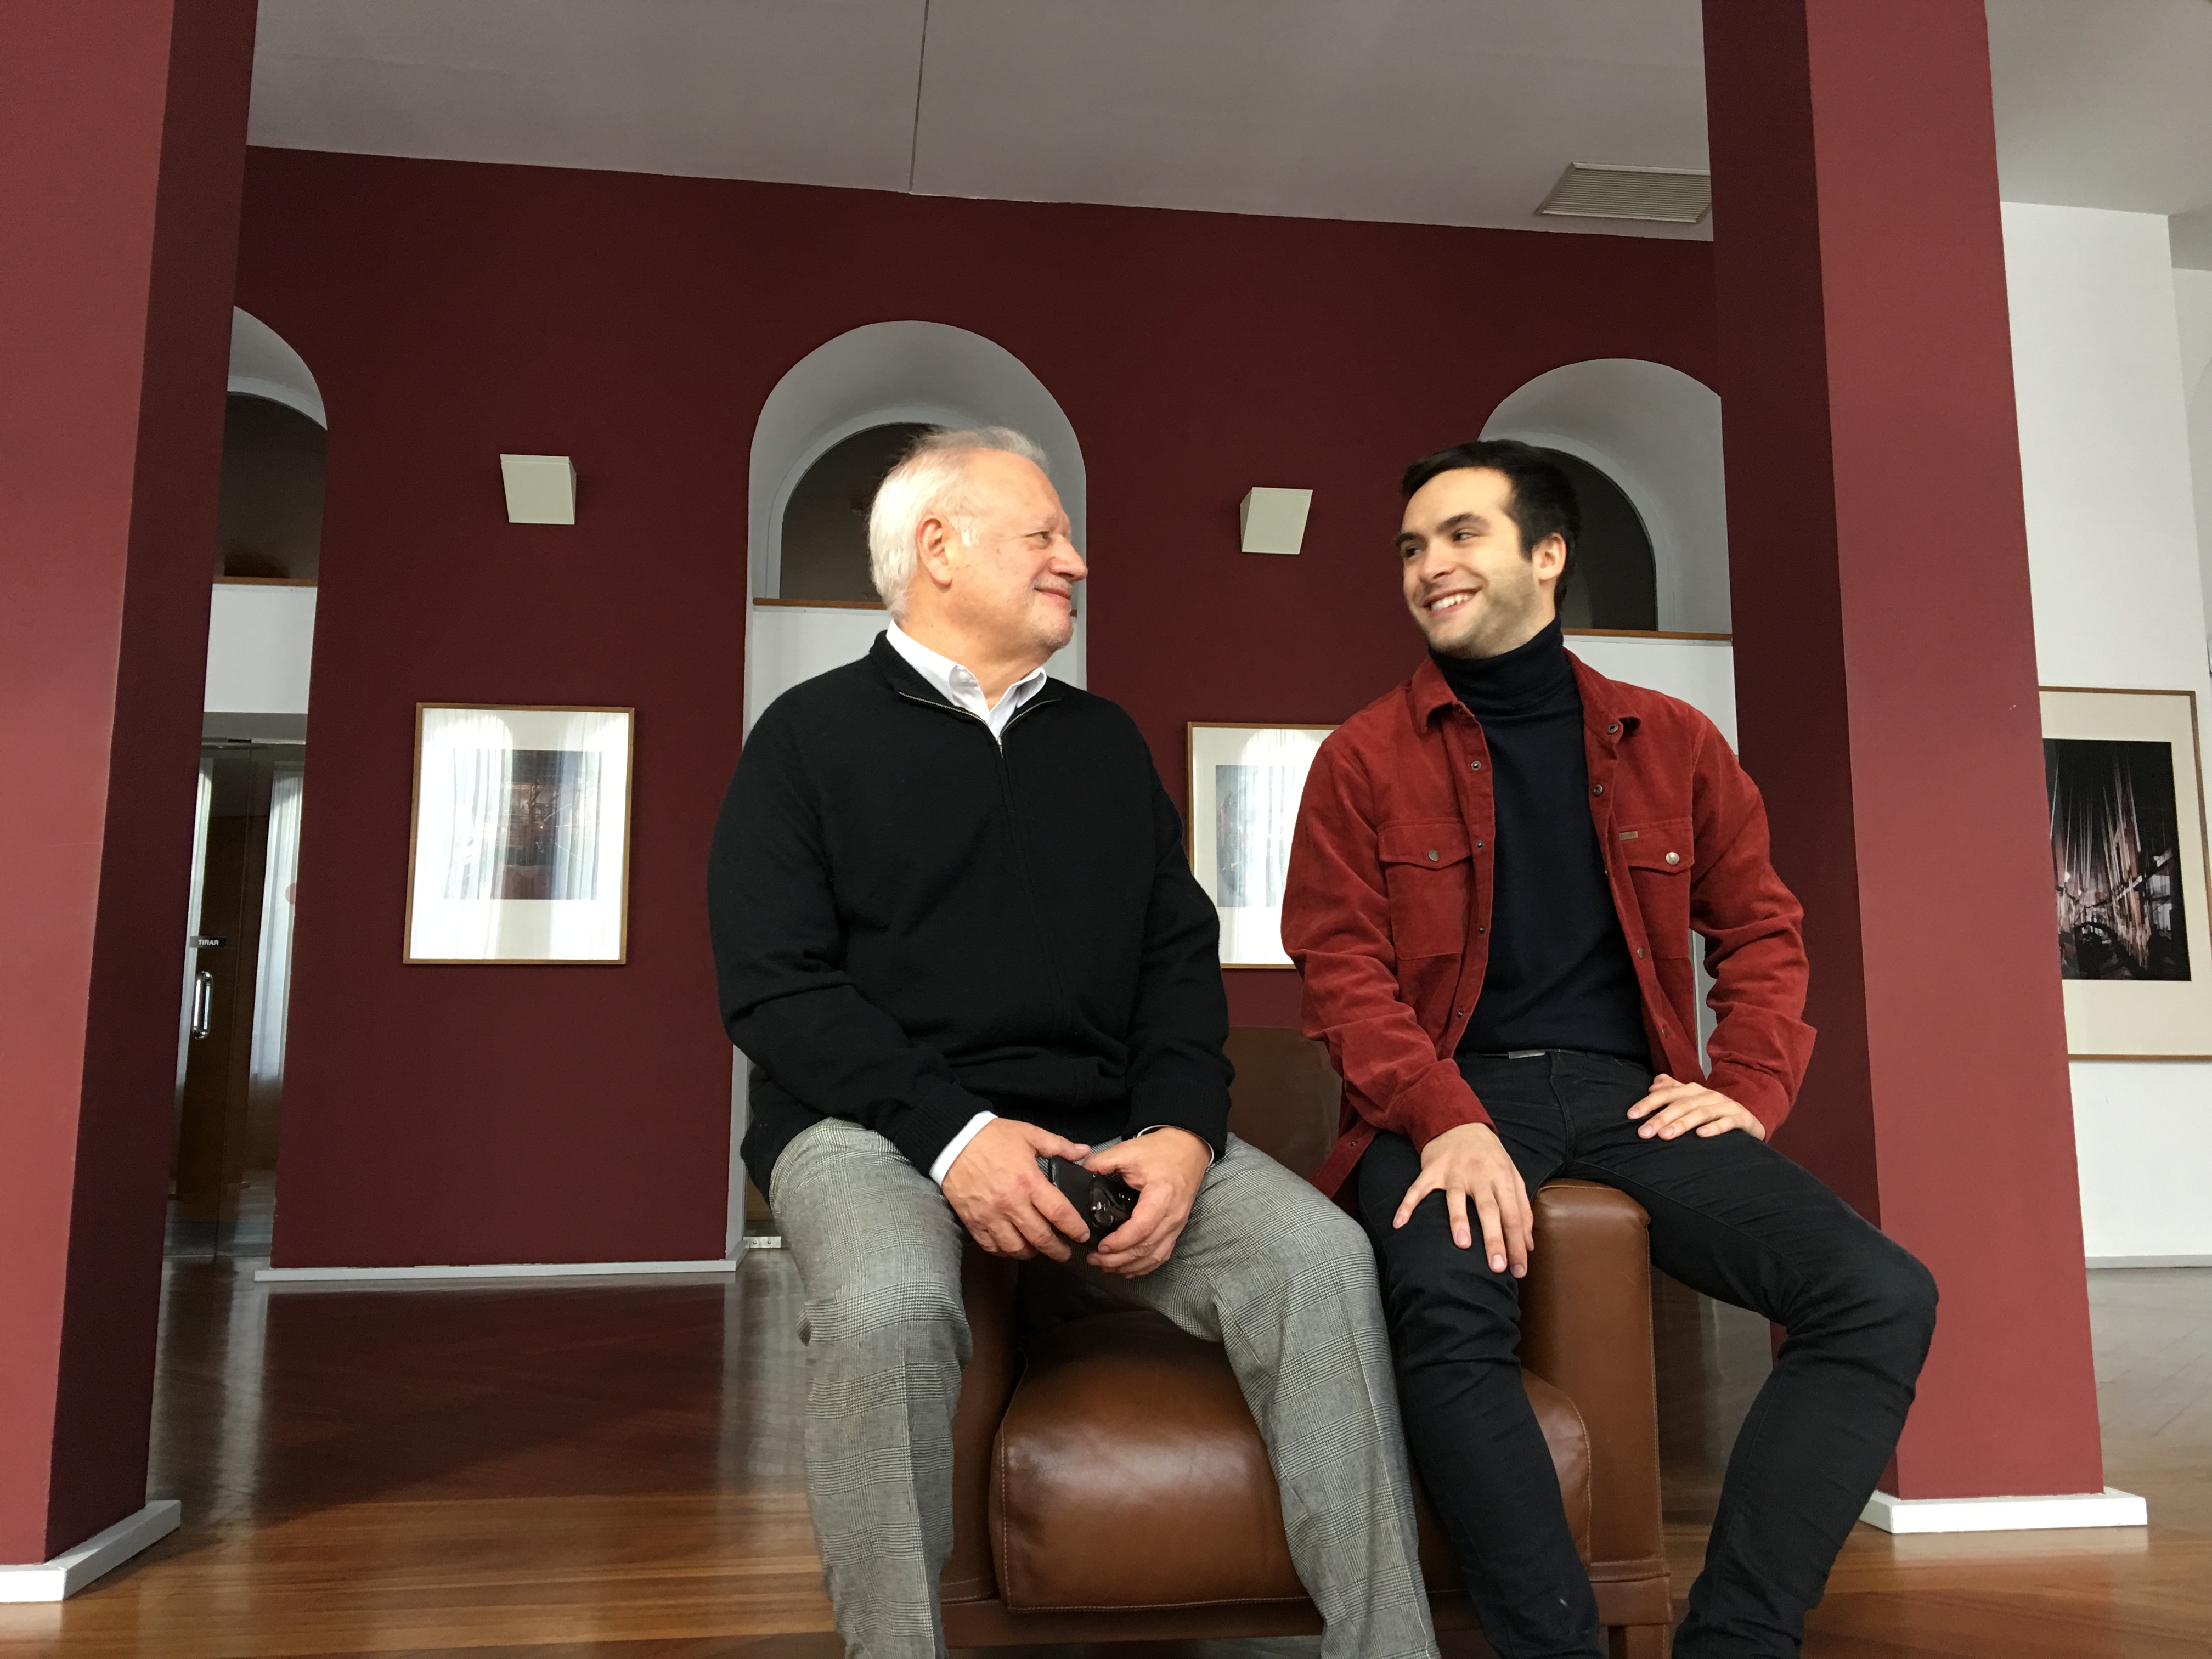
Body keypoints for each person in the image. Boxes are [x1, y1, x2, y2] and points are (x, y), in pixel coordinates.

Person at [709, 427, 1437, 1659]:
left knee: (1320, 1259)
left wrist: (1183, 1136)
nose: (1077, 561)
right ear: (939, 548)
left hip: (1112, 1127)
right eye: (1044, 534)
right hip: (871, 1128)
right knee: (886, 1310)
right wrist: (958, 1139)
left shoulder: (1105, 743)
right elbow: (776, 991)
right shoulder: (803, 737)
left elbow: (1177, 966)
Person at [1282, 439, 1938, 1659]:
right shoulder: (1361, 759)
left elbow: (1762, 929)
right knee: (1444, 1309)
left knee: (1879, 1294)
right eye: (1412, 548)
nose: (1429, 566)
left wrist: (1747, 1090)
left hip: (1636, 1098)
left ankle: (1737, 1640)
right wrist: (1445, 1118)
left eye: (1462, 535)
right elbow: (1341, 970)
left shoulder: (1673, 741)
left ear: (1548, 554)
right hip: (1451, 1093)